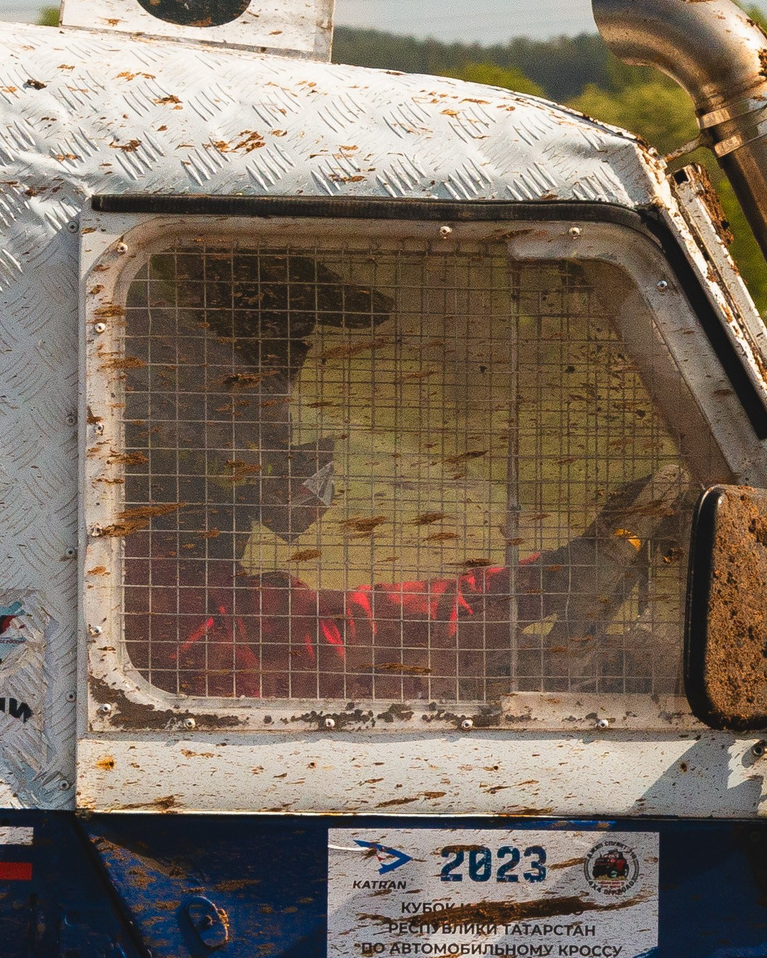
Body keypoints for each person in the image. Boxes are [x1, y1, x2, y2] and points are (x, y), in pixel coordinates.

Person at [115, 249, 691, 704]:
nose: (279, 408)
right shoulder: (138, 583)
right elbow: (291, 662)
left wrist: (532, 598)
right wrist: (473, 670)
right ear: (172, 386)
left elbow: (323, 631)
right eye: (258, 369)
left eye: (289, 364)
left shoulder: (168, 568)